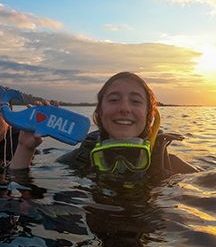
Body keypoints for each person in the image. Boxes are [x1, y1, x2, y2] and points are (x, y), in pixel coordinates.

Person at [57, 71, 198, 180]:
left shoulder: (173, 167)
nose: (124, 108)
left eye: (136, 101)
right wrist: (33, 150)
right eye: (114, 100)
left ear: (148, 113)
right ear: (100, 111)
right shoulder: (75, 161)